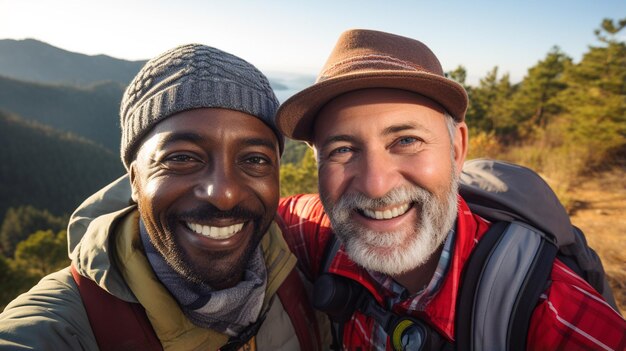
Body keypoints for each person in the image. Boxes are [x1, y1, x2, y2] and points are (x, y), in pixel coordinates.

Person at [275, 29, 626, 350]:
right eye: (342, 150)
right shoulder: (322, 233)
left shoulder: (553, 315)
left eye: (406, 140)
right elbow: (253, 214)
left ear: (456, 149)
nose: (375, 185)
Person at [0, 44, 328, 350]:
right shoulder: (65, 323)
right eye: (182, 157)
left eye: (255, 159)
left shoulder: (305, 269)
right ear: (134, 179)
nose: (224, 194)